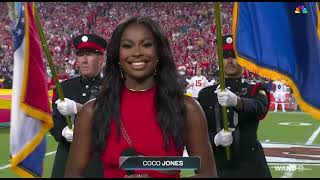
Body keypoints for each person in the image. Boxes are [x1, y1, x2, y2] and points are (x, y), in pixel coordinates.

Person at [65, 17, 217, 178]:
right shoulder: (92, 112)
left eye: (146, 45)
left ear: (159, 52)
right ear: (117, 55)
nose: (137, 52)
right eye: (127, 46)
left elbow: (208, 173)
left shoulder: (187, 108)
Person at [197, 35, 272, 178]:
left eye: (234, 56)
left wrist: (238, 102)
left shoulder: (254, 89)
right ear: (219, 59)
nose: (230, 60)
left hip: (251, 168)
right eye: (225, 56)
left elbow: (260, 108)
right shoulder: (205, 95)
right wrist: (214, 139)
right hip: (218, 168)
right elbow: (198, 133)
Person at [50, 33, 107, 178]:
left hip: (97, 160)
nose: (84, 60)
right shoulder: (65, 88)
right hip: (66, 157)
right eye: (81, 55)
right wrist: (62, 132)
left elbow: (111, 118)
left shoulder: (111, 88)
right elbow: (54, 120)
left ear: (101, 59)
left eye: (89, 55)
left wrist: (77, 108)